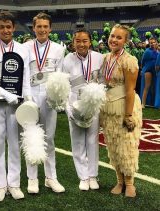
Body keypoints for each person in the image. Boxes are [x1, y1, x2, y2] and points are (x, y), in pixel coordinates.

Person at [0, 11, 31, 201]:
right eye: (1, 27)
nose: (5, 30)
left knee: (14, 144)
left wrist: (28, 100)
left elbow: (25, 78)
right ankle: (0, 186)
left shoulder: (23, 49)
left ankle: (15, 184)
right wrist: (5, 94)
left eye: (8, 27)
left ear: (14, 28)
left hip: (16, 104)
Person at [23, 12, 65, 194]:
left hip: (49, 97)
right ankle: (32, 179)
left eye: (45, 26)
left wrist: (56, 97)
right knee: (31, 136)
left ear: (50, 28)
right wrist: (26, 96)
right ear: (33, 28)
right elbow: (23, 73)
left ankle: (51, 177)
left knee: (49, 138)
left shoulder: (58, 49)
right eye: (38, 26)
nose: (42, 30)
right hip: (31, 94)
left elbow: (60, 74)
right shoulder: (25, 47)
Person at [99, 24, 142, 198]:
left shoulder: (129, 60)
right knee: (114, 145)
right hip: (108, 108)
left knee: (127, 145)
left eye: (119, 37)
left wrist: (129, 115)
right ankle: (119, 181)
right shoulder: (104, 58)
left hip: (125, 106)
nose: (114, 40)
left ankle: (130, 183)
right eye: (112, 36)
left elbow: (130, 90)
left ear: (125, 41)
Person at [63, 29, 103, 191]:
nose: (81, 44)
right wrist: (68, 109)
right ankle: (83, 177)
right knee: (78, 141)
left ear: (90, 42)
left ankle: (92, 175)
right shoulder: (67, 59)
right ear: (73, 43)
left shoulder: (99, 58)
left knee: (93, 140)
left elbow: (103, 81)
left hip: (93, 105)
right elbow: (64, 87)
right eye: (78, 41)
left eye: (84, 40)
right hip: (74, 105)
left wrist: (98, 101)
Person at [141, 37, 158, 108]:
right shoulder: (147, 51)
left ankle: (153, 103)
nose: (152, 44)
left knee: (154, 87)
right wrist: (143, 70)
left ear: (156, 43)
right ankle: (143, 104)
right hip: (148, 70)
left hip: (156, 71)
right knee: (147, 87)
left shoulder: (158, 51)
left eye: (153, 42)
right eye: (151, 43)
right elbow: (142, 61)